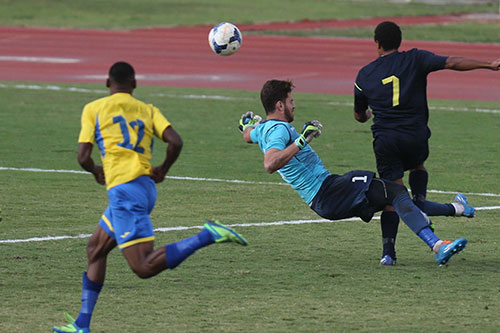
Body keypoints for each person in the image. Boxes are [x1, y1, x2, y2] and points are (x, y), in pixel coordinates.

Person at [53, 62, 247, 333]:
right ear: (134, 85)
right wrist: (163, 170)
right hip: (144, 188)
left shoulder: (94, 108)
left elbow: (83, 156)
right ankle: (82, 324)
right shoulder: (147, 110)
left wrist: (96, 170)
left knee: (143, 267)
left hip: (123, 194)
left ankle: (208, 235)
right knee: (95, 250)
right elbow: (175, 141)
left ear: (107, 83)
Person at [240, 79, 468, 267]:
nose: (294, 106)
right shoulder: (278, 130)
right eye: (291, 101)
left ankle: (390, 255)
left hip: (324, 198)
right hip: (327, 191)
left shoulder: (263, 129)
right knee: (397, 191)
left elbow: (248, 135)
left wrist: (246, 125)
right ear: (279, 105)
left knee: (389, 196)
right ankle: (438, 246)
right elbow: (270, 164)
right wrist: (302, 139)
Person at [353, 21, 499, 265]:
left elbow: (360, 115)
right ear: (399, 42)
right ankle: (438, 208)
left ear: (377, 44)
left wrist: (366, 115)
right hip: (415, 137)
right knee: (417, 170)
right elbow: (451, 62)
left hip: (386, 141)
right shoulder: (416, 58)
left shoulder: (364, 74)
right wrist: (489, 64)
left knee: (395, 196)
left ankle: (400, 251)